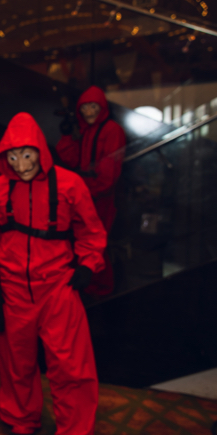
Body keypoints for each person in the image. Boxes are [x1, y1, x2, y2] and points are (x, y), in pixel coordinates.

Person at [0, 112, 106, 435]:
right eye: (13, 156)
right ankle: (21, 421)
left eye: (27, 154)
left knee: (72, 368)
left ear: (40, 150)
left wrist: (88, 265)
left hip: (59, 287)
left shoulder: (70, 184)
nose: (21, 164)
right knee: (16, 362)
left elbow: (91, 231)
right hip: (13, 289)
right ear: (4, 155)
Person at [56, 86, 126, 298]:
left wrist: (89, 191)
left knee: (97, 243)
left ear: (102, 107)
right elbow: (72, 159)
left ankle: (101, 289)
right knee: (88, 241)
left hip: (100, 198)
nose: (88, 112)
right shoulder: (87, 131)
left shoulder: (111, 130)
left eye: (93, 106)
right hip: (89, 195)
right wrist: (67, 136)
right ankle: (93, 286)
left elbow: (109, 172)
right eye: (84, 107)